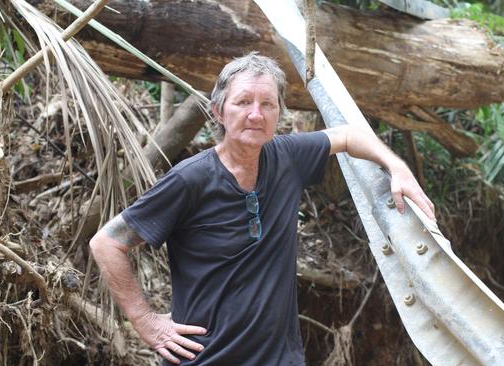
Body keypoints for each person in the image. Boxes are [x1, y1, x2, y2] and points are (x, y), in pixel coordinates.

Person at [89, 52, 435, 365]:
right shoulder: (189, 180)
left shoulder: (288, 157)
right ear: (218, 112)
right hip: (204, 358)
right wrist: (145, 320)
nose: (256, 114)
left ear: (279, 113)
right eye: (243, 102)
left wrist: (397, 168)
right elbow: (106, 243)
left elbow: (348, 136)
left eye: (267, 104)